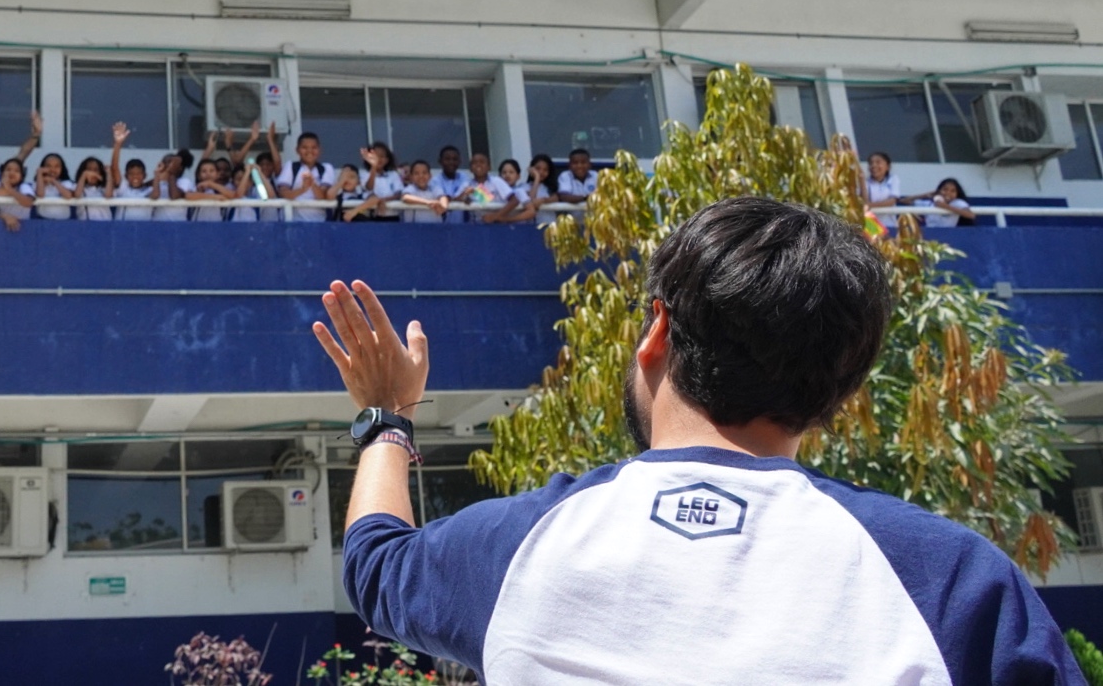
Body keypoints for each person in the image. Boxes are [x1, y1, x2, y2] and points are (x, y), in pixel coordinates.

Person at [316, 197, 1082, 685]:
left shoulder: (525, 547)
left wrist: (387, 414)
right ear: (842, 389)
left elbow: (377, 565)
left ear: (658, 332)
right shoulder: (954, 581)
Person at [278, 132, 337, 222]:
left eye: (314, 148)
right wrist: (302, 189)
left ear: (319, 150)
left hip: (321, 223)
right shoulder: (291, 166)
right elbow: (283, 193)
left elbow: (324, 197)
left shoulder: (326, 168)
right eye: (304, 147)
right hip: (293, 223)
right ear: (297, 150)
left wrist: (312, 184)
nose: (309, 151)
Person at [110, 123, 155, 222]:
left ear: (145, 175)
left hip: (145, 229)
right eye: (131, 174)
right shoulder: (123, 188)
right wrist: (118, 144)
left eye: (139, 173)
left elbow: (163, 177)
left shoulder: (150, 190)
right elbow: (114, 168)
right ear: (126, 176)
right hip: (123, 228)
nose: (135, 177)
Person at [455, 151, 507, 223]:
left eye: (482, 162)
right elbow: (454, 200)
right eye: (474, 163)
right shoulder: (466, 184)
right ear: (470, 169)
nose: (478, 165)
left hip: (497, 225)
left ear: (489, 167)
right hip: (475, 226)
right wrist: (464, 196)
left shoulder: (497, 181)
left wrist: (476, 192)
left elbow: (514, 200)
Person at [907, 177, 976, 228]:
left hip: (948, 234)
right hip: (929, 234)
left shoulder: (957, 203)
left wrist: (945, 206)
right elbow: (906, 201)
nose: (948, 193)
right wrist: (926, 195)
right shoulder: (929, 204)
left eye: (953, 191)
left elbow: (971, 215)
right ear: (939, 191)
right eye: (945, 189)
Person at [182, 158, 233, 222]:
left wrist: (210, 184)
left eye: (211, 171)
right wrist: (215, 197)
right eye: (204, 171)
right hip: (197, 225)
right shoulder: (197, 188)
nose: (208, 174)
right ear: (198, 175)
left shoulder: (220, 188)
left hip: (218, 225)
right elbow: (188, 196)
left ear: (217, 174)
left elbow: (232, 195)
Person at [0, 157, 34, 231]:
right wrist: (5, 216)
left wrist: (9, 189)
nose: (12, 173)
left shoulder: (24, 187)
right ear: (2, 173)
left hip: (24, 229)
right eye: (8, 170)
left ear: (21, 176)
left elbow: (29, 202)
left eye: (17, 171)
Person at [33, 153, 77, 221]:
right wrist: (39, 173)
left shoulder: (66, 183)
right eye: (48, 166)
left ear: (62, 168)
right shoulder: (38, 183)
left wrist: (53, 181)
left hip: (63, 221)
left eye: (57, 166)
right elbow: (40, 194)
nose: (52, 169)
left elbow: (68, 196)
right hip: (42, 220)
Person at [866, 151, 903, 228]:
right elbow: (863, 202)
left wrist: (870, 205)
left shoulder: (893, 179)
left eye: (878, 162)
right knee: (873, 236)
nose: (874, 166)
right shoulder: (865, 182)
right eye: (871, 163)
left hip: (889, 224)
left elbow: (892, 201)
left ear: (888, 167)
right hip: (870, 225)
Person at [73, 155, 113, 221]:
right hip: (85, 224)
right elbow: (77, 194)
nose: (92, 173)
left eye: (95, 170)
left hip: (105, 223)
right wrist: (84, 175)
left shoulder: (103, 187)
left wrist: (108, 173)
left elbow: (108, 195)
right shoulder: (78, 186)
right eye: (89, 170)